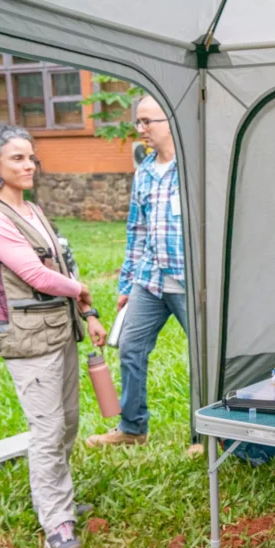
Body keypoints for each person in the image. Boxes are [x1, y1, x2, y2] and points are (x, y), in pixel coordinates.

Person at [0, 123, 107, 548]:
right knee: (47, 430)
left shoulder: (31, 209)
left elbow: (61, 266)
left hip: (59, 330)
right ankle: (56, 522)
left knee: (67, 423)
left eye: (31, 157)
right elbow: (34, 275)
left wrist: (87, 311)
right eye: (17, 158)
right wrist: (82, 291)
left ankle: (59, 499)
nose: (29, 165)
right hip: (30, 340)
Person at [86, 96, 187, 448]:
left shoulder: (194, 168)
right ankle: (132, 429)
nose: (141, 129)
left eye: (147, 121)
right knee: (130, 347)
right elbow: (137, 231)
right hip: (151, 279)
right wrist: (127, 283)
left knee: (205, 360)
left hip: (191, 283)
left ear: (171, 119)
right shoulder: (143, 171)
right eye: (138, 122)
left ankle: (204, 434)